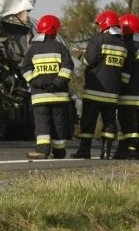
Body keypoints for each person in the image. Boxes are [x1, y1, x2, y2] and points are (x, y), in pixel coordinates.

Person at [72, 10, 129, 159]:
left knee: (88, 122)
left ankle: (84, 151)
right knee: (109, 123)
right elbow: (124, 73)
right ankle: (106, 153)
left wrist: (80, 54)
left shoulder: (99, 39)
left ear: (104, 24)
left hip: (94, 91)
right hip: (112, 94)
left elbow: (89, 61)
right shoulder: (123, 45)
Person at [20, 15, 74, 160]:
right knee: (59, 124)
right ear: (54, 30)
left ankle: (43, 151)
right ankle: (60, 152)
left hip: (40, 96)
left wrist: (39, 83)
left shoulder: (33, 49)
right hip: (59, 97)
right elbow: (68, 67)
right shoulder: (60, 48)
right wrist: (57, 83)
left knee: (42, 123)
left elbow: (25, 69)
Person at [114, 13, 139, 159]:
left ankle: (130, 150)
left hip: (129, 94)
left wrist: (119, 86)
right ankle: (128, 149)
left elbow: (126, 73)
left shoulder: (127, 47)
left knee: (127, 123)